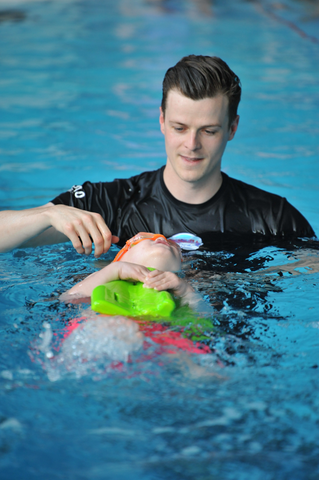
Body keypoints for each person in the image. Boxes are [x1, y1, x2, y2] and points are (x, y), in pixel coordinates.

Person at [0, 55, 315, 257]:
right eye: (180, 127)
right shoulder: (113, 203)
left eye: (209, 130)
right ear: (162, 120)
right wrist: (46, 214)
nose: (191, 144)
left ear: (232, 128)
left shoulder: (272, 218)